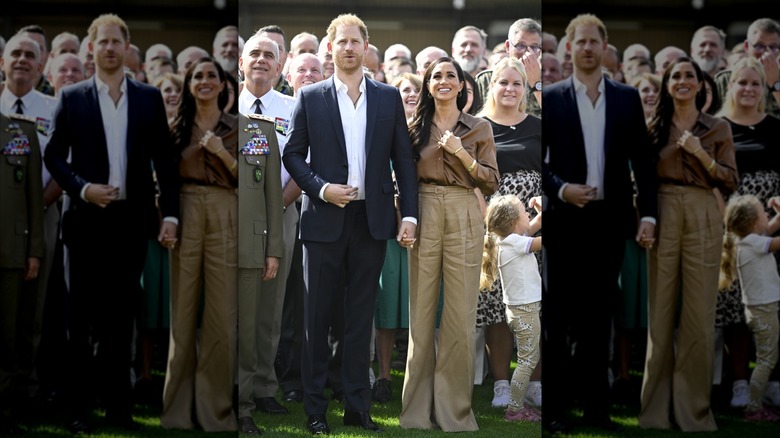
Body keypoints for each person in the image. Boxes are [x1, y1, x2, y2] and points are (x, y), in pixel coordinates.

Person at [282, 13, 418, 435]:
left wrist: (409, 214)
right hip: (323, 220)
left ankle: (358, 408)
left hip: (371, 223)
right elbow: (292, 155)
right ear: (330, 48)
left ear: (365, 47)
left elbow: (403, 160)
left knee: (360, 321)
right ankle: (315, 410)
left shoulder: (387, 97)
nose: (348, 48)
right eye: (341, 41)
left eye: (355, 41)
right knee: (316, 321)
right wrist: (322, 189)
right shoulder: (311, 96)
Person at [44, 14, 179, 434]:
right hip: (85, 221)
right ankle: (78, 410)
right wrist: (83, 189)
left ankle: (119, 410)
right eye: (101, 42)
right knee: (80, 320)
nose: (108, 48)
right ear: (91, 48)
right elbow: (53, 156)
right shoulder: (73, 97)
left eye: (115, 41)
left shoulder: (148, 97)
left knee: (121, 321)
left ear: (126, 46)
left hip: (130, 223)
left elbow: (164, 160)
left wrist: (170, 214)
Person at [542, 14, 657, 434]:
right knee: (557, 319)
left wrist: (648, 214)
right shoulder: (550, 97)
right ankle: (555, 411)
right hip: (563, 222)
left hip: (609, 223)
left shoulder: (626, 97)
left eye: (594, 42)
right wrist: (561, 189)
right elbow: (538, 161)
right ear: (569, 48)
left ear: (605, 48)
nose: (588, 48)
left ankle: (596, 411)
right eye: (580, 42)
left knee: (599, 320)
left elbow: (642, 160)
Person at [400, 56, 499, 432]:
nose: (443, 81)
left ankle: (455, 413)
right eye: (436, 76)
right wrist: (406, 218)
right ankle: (415, 413)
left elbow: (490, 181)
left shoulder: (480, 127)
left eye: (450, 76)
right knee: (421, 315)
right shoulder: (413, 126)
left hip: (463, 210)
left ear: (461, 85)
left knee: (460, 316)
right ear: (427, 86)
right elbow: (403, 177)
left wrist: (461, 152)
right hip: (423, 210)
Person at [639, 57, 737, 432]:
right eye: (675, 76)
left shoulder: (718, 127)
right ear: (667, 86)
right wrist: (645, 217)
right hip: (663, 210)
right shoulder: (654, 127)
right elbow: (643, 178)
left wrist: (700, 153)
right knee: (660, 314)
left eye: (689, 76)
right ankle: (655, 412)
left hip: (702, 210)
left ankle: (693, 412)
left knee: (699, 314)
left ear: (700, 85)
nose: (682, 81)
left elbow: (729, 179)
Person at [160, 57, 238, 432]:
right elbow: (164, 178)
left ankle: (216, 412)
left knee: (222, 316)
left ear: (223, 85)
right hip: (186, 210)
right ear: (189, 86)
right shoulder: (175, 128)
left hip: (226, 211)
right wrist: (168, 218)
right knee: (183, 313)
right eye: (197, 77)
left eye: (211, 76)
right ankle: (177, 412)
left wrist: (221, 152)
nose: (205, 81)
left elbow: (253, 179)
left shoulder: (241, 127)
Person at [474, 57, 542, 410]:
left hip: (535, 220)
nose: (510, 89)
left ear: (525, 89)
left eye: (517, 83)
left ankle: (535, 383)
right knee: (496, 306)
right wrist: (488, 221)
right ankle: (501, 383)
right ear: (492, 86)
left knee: (533, 302)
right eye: (503, 82)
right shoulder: (479, 126)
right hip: (493, 226)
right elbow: (472, 178)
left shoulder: (538, 126)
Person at [237, 34, 298, 422]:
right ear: (241, 63)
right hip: (236, 217)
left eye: (269, 56)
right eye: (254, 54)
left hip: (282, 212)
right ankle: (232, 386)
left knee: (270, 307)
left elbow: (304, 165)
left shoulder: (294, 109)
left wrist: (276, 208)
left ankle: (263, 386)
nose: (261, 60)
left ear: (280, 66)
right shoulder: (230, 108)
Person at [714, 56, 780, 409]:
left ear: (764, 90)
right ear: (731, 86)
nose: (749, 89)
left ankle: (772, 381)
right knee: (735, 306)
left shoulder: (775, 127)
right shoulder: (719, 126)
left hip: (773, 222)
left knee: (773, 301)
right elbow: (712, 179)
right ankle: (740, 381)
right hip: (733, 227)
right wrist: (725, 221)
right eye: (743, 82)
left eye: (756, 83)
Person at [480, 194, 542, 422]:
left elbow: (534, 226)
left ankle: (517, 405)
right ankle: (515, 410)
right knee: (527, 361)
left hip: (522, 310)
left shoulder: (510, 238)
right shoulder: (514, 242)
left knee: (527, 358)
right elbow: (537, 242)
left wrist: (539, 211)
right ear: (514, 222)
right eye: (524, 211)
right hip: (525, 311)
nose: (528, 213)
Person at [0, 112, 43, 435]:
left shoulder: (22, 131)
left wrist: (34, 250)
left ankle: (4, 412)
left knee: (8, 336)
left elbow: (33, 195)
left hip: (11, 250)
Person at [720, 194, 780, 421]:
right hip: (763, 311)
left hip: (761, 310)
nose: (767, 213)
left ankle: (756, 404)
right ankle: (754, 408)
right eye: (763, 212)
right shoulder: (753, 243)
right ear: (753, 223)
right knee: (766, 361)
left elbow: (774, 225)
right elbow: (775, 242)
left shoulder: (749, 239)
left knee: (767, 358)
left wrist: (777, 209)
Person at [476, 19, 542, 118]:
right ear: (508, 46)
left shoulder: (549, 79)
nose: (527, 52)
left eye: (534, 47)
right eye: (520, 45)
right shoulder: (486, 79)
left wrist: (536, 83)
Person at [715, 18, 780, 118]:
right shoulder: (725, 79)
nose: (766, 53)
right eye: (759, 46)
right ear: (746, 46)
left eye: (773, 47)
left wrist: (775, 83)